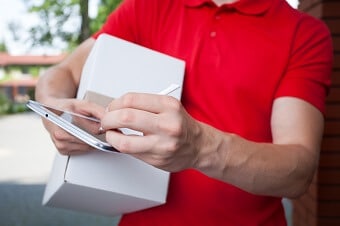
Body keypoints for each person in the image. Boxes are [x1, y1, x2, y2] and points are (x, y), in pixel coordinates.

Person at [35, 0, 333, 225]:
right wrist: (56, 113)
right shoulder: (146, 7)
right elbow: (61, 74)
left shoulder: (304, 33)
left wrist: (202, 148)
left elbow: (297, 172)